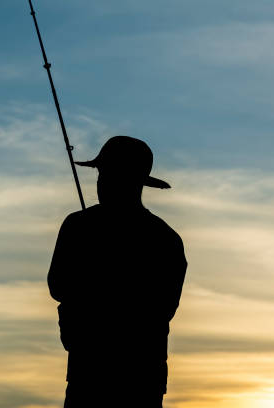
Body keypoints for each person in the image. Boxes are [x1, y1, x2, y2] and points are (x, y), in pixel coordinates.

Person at [48, 136, 188, 407]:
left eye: (107, 174)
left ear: (130, 181)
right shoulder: (167, 239)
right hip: (142, 379)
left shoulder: (78, 226)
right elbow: (164, 309)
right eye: (101, 174)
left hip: (94, 376)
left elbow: (58, 286)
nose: (101, 182)